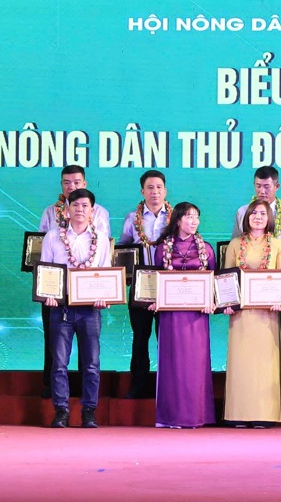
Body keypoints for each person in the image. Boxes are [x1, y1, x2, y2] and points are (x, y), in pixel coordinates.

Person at [35, 165, 111, 399]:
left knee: (91, 362)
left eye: (84, 206)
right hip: (60, 304)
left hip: (90, 306)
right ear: (66, 210)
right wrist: (46, 291)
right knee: (58, 360)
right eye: (75, 205)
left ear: (92, 211)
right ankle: (60, 407)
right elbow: (45, 265)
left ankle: (89, 410)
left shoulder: (101, 235)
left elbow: (105, 268)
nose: (79, 209)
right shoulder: (52, 233)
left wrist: (105, 294)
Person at [222, 200, 281, 427]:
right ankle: (238, 414)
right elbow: (227, 279)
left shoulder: (278, 244)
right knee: (241, 364)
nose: (258, 217)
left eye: (263, 213)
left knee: (265, 364)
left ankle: (265, 414)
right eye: (254, 213)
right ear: (246, 216)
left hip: (267, 314)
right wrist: (226, 303)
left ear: (269, 217)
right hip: (241, 315)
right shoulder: (235, 244)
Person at [151, 202, 216, 428]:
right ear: (178, 220)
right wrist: (153, 299)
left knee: (195, 365)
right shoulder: (163, 248)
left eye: (196, 217)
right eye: (189, 217)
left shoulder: (206, 248)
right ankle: (170, 416)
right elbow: (154, 280)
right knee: (173, 364)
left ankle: (197, 415)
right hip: (171, 316)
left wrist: (212, 301)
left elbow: (213, 280)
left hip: (197, 317)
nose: (194, 221)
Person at [231, 166, 281, 352]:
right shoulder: (243, 212)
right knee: (246, 346)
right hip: (247, 294)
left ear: (277, 186)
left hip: (276, 293)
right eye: (258, 186)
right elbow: (236, 248)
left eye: (267, 186)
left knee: (274, 344)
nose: (262, 191)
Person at [118, 169, 171, 399]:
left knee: (167, 338)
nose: (155, 192)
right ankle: (138, 385)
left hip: (167, 287)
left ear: (165, 190)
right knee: (140, 337)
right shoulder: (132, 218)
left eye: (159, 187)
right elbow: (124, 248)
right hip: (140, 286)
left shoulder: (175, 217)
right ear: (142, 191)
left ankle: (167, 386)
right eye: (150, 187)